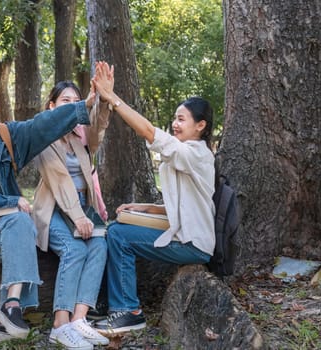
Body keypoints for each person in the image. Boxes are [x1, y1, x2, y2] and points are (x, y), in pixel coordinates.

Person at [0, 78, 96, 340]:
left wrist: (85, 105)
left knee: (23, 224)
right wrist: (10, 201)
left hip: (5, 223)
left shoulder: (7, 136)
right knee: (20, 234)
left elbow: (41, 125)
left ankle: (10, 308)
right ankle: (9, 318)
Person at [92, 65, 216, 335]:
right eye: (175, 118)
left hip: (192, 244)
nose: (175, 123)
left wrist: (112, 98)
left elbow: (149, 132)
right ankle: (104, 303)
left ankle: (129, 311)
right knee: (115, 229)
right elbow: (184, 207)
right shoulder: (189, 152)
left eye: (182, 119)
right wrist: (144, 208)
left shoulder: (196, 154)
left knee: (119, 237)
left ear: (201, 125)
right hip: (184, 235)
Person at [31, 65, 113, 349]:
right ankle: (60, 324)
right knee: (74, 248)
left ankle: (80, 320)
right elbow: (58, 180)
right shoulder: (43, 132)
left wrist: (104, 98)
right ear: (51, 105)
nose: (71, 105)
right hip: (54, 207)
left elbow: (98, 130)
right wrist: (78, 216)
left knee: (100, 246)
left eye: (75, 100)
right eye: (65, 100)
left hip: (81, 204)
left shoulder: (79, 135)